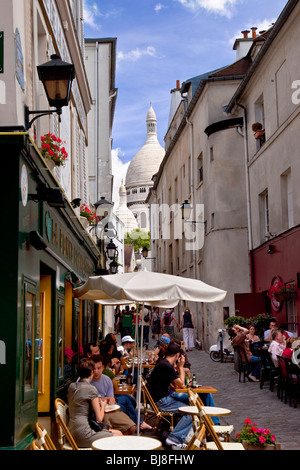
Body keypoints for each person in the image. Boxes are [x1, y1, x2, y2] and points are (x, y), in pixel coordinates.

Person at [148, 342, 219, 450]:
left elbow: (176, 384)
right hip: (163, 401)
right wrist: (180, 367)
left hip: (165, 397)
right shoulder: (166, 366)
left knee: (204, 396)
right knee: (192, 412)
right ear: (177, 355)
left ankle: (212, 428)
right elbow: (181, 384)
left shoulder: (164, 364)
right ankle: (175, 438)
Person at [67, 358, 122, 447]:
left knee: (118, 432)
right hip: (84, 435)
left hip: (70, 434)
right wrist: (103, 405)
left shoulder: (72, 386)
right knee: (118, 436)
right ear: (91, 372)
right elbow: (99, 419)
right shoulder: (91, 389)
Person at [89, 354, 137, 435]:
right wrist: (104, 400)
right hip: (95, 414)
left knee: (132, 427)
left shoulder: (107, 380)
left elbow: (111, 398)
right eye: (94, 369)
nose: (96, 371)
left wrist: (111, 400)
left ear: (103, 367)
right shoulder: (87, 380)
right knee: (109, 431)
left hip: (109, 410)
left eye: (99, 368)